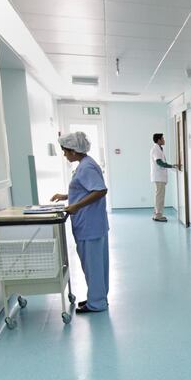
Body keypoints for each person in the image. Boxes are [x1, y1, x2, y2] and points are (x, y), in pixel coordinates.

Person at [51, 131, 110, 314]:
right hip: (92, 224)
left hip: (89, 225)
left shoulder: (86, 167)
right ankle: (96, 298)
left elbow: (100, 190)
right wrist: (67, 196)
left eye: (65, 151)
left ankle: (97, 303)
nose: (64, 155)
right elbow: (86, 189)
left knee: (93, 266)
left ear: (74, 151)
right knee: (96, 266)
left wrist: (75, 205)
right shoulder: (86, 163)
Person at [150, 133, 175, 222]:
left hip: (159, 177)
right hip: (159, 177)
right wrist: (171, 166)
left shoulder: (159, 149)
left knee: (158, 196)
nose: (164, 140)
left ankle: (157, 214)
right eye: (163, 138)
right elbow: (159, 162)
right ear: (158, 140)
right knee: (160, 196)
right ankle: (158, 216)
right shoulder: (156, 149)